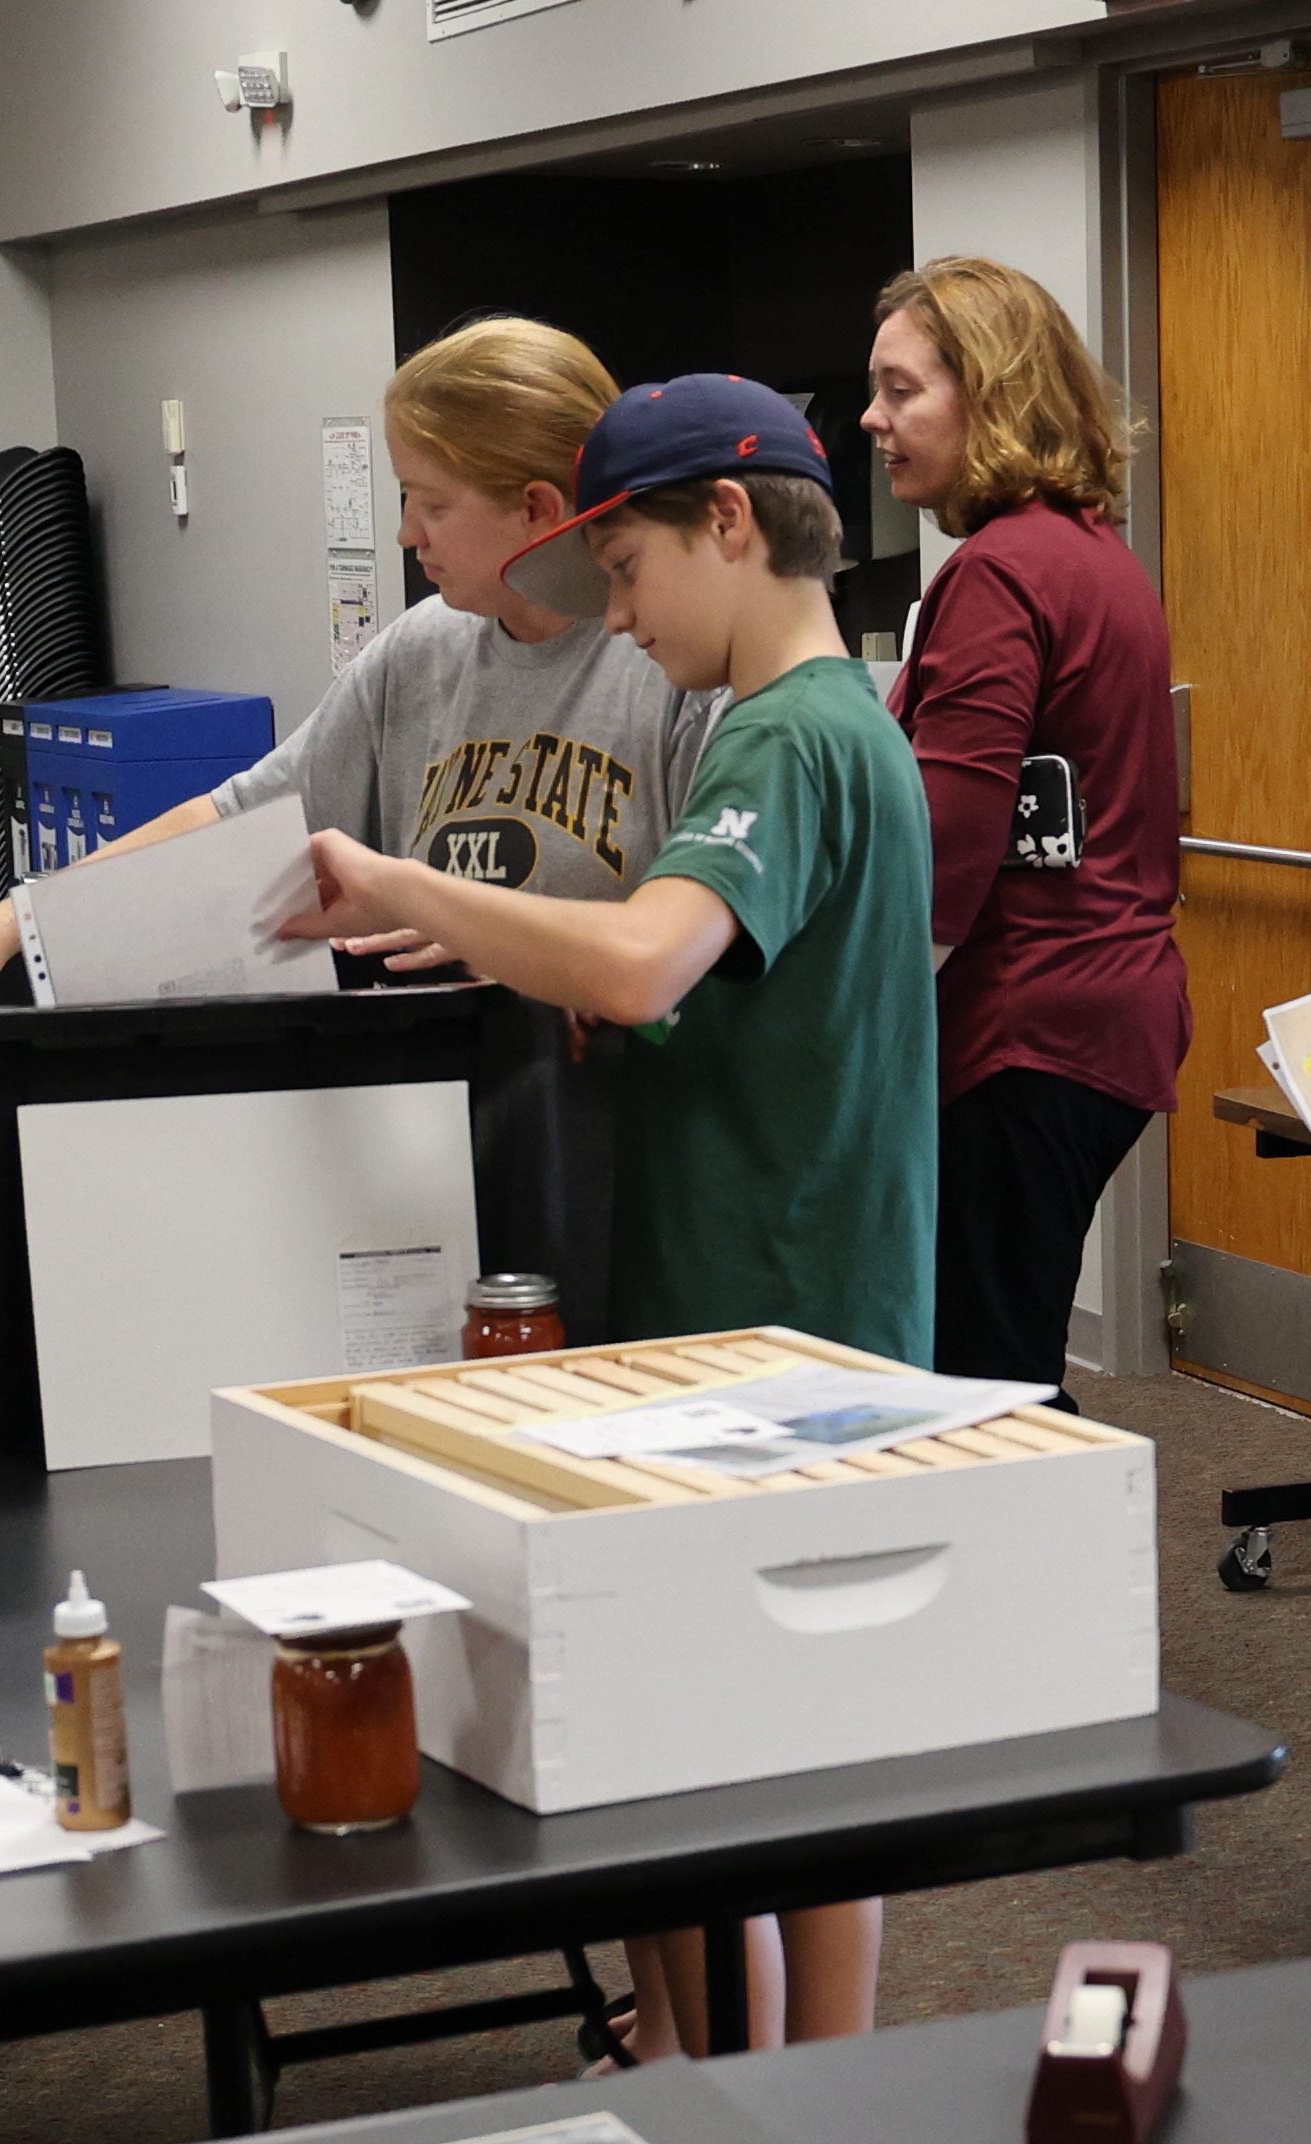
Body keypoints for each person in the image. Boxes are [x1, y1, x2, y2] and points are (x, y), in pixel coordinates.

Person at [291, 375, 935, 2051]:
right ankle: (765, 2078)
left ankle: (786, 2094)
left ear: (729, 526)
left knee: (735, 1748)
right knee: (782, 1739)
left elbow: (652, 946)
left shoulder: (787, 731)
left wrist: (415, 886)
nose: (625, 627)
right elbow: (705, 996)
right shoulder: (832, 719)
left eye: (632, 575)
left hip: (771, 1320)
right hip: (779, 1307)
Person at [0, 316, 714, 1004]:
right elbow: (233, 820)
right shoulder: (419, 654)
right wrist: (12, 926)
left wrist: (506, 952)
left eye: (430, 503)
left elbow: (699, 953)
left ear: (534, 508)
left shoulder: (670, 667)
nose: (405, 534)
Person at [859, 257, 1187, 1399]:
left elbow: (942, 862)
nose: (873, 419)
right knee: (1005, 1349)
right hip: (1105, 1011)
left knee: (978, 1383)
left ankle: (1052, 1578)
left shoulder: (999, 572)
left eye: (901, 391)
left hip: (1028, 1021)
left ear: (987, 393)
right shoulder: (1090, 552)